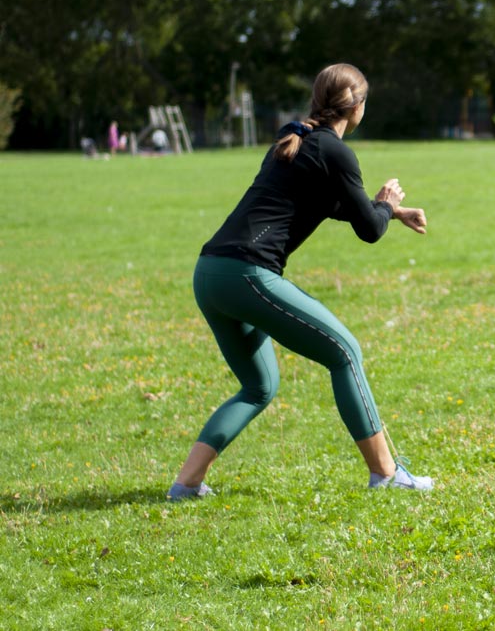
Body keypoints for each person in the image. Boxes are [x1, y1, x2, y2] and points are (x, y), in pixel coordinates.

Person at [168, 63, 433, 499]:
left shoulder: (295, 139)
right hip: (248, 274)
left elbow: (332, 204)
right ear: (358, 106)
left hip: (211, 273)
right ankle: (386, 474)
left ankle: (186, 484)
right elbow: (369, 230)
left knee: (259, 386)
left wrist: (390, 211)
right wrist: (385, 205)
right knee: (345, 352)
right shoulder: (336, 151)